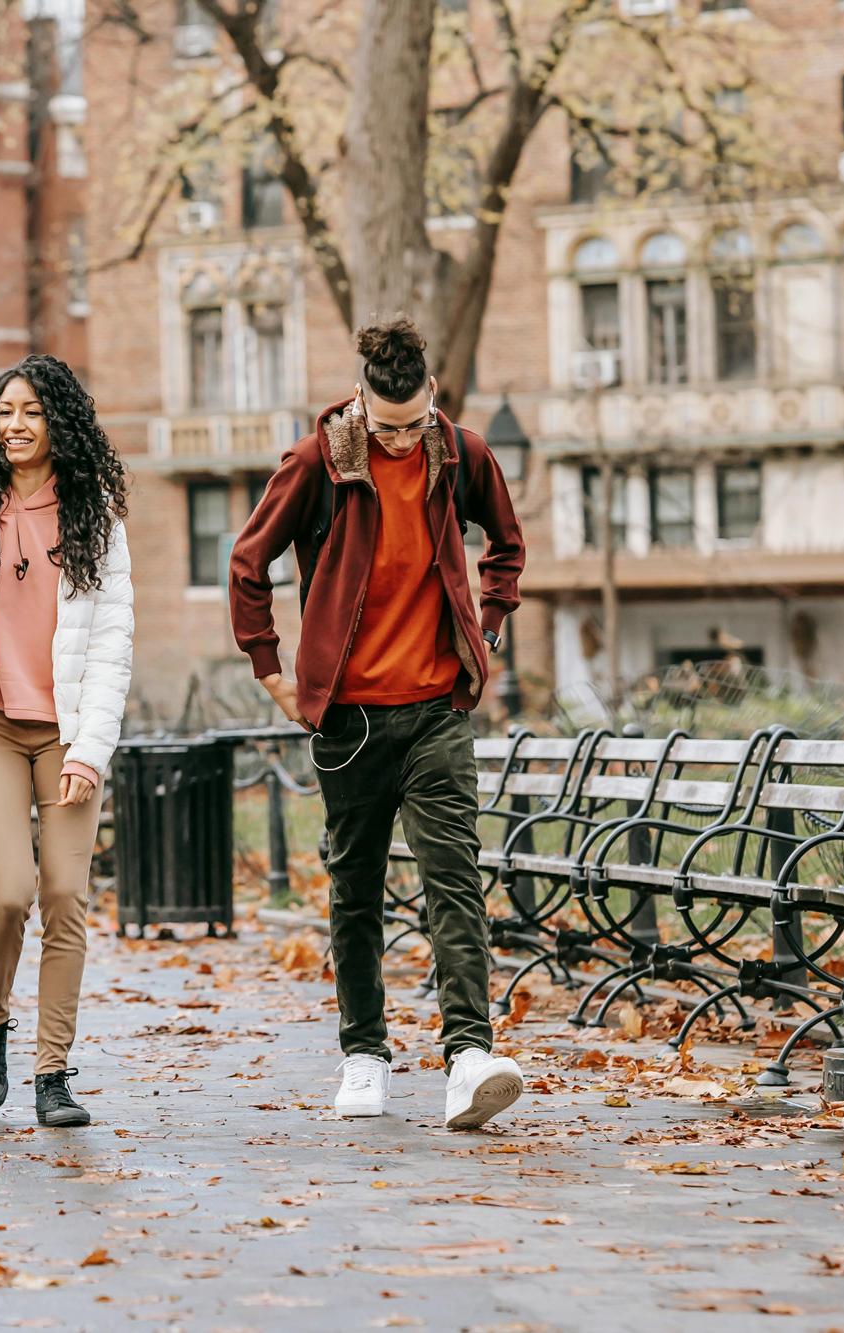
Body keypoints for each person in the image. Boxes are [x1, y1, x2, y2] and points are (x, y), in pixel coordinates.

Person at [227, 317, 527, 1131]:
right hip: (350, 721)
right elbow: (247, 563)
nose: (401, 443)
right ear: (361, 402)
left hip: (435, 712)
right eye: (386, 428)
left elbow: (506, 546)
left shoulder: (459, 452)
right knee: (355, 890)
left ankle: (469, 1054)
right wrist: (272, 672)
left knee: (453, 877)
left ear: (432, 399)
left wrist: (487, 626)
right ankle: (364, 1054)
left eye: (415, 424)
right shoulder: (317, 459)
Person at [0, 354, 133, 1128]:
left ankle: (52, 1071)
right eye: (5, 410)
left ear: (60, 422)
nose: (14, 424)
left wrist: (90, 751)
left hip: (67, 734)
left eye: (31, 411)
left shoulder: (95, 519)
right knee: (10, 891)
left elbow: (112, 643)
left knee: (66, 895)